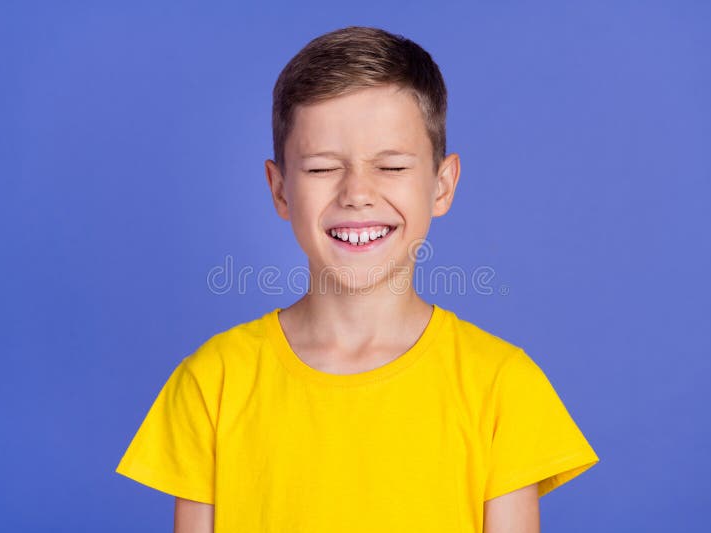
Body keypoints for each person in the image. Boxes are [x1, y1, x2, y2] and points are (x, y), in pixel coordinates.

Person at [115, 25, 600, 533]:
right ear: (280, 191)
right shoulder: (210, 384)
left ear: (442, 184)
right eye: (324, 169)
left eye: (391, 166)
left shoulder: (503, 387)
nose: (357, 193)